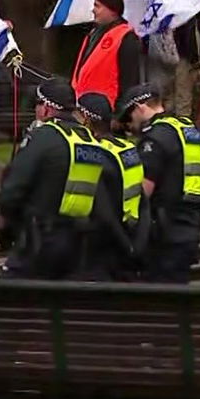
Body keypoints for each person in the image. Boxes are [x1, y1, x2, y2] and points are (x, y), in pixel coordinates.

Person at [0, 78, 103, 281]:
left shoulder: (44, 137)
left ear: (46, 108)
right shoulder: (89, 140)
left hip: (38, 240)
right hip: (76, 244)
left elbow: (14, 188)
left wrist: (4, 227)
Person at [119, 83, 200, 283]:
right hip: (190, 226)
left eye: (128, 117)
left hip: (164, 235)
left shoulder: (154, 139)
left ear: (140, 107)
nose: (129, 126)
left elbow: (142, 193)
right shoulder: (187, 129)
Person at [76, 92, 141, 281]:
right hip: (131, 234)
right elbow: (142, 201)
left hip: (102, 247)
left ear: (86, 119)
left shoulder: (93, 154)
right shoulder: (127, 148)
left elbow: (103, 210)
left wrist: (125, 246)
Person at [73, 0, 141, 106]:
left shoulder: (127, 37)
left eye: (97, 6)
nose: (93, 10)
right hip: (84, 106)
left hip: (108, 110)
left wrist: (121, 114)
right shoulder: (93, 33)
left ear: (112, 10)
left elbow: (129, 81)